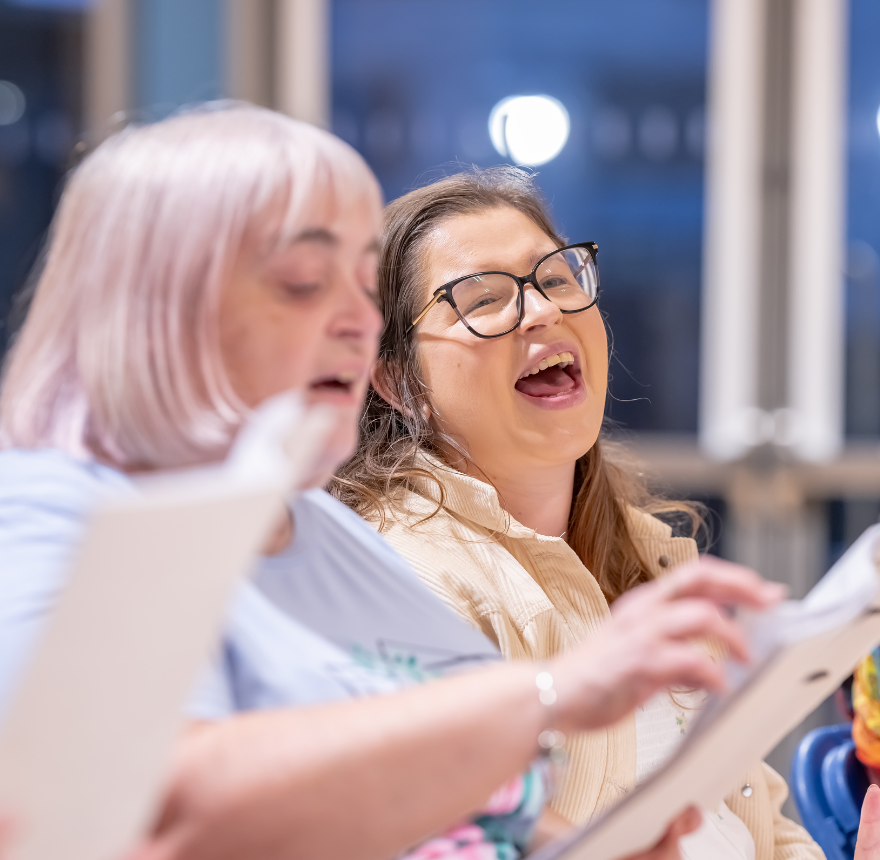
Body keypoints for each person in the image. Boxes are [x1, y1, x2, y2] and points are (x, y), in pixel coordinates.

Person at [0, 105, 777, 860]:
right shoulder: (49, 514)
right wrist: (551, 692)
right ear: (156, 309)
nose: (357, 320)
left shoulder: (321, 532)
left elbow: (483, 812)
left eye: (361, 283)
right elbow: (137, 808)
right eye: (304, 281)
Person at [333, 167, 824, 858]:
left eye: (557, 278)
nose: (541, 310)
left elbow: (752, 818)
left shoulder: (644, 551)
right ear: (397, 382)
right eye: (483, 298)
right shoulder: (407, 578)